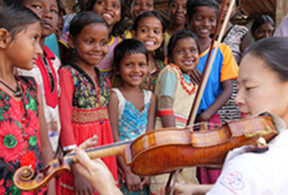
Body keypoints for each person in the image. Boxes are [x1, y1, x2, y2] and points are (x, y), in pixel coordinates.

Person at [74, 37, 288, 195]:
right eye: (238, 87)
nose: (238, 99)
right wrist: (201, 189)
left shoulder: (253, 165)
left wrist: (106, 187)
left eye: (249, 88)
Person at [57, 11, 118, 194]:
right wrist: (76, 168)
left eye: (103, 42)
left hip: (103, 147)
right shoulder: (67, 74)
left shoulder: (103, 78)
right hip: (80, 151)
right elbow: (65, 122)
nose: (97, 48)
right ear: (72, 41)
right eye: (89, 42)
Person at [0, 6, 55, 194]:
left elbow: (45, 145)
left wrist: (52, 189)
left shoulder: (31, 88)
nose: (39, 50)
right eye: (34, 38)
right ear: (3, 38)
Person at [187, 0, 239, 184]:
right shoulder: (181, 51)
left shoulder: (222, 50)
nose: (206, 24)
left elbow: (228, 89)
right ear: (189, 19)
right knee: (187, 170)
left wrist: (207, 114)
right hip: (184, 120)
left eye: (212, 20)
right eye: (200, 19)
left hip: (209, 119)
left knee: (210, 170)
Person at [150, 29, 200, 194]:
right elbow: (165, 107)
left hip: (183, 137)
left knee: (184, 183)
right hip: (168, 136)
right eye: (180, 51)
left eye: (193, 50)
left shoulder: (192, 81)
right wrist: (175, 139)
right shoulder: (171, 72)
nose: (188, 55)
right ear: (170, 57)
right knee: (165, 180)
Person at [108, 39, 156, 195]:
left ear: (148, 67)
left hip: (143, 166)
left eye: (141, 64)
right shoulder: (115, 96)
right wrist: (127, 171)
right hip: (122, 168)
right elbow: (114, 136)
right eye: (129, 65)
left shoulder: (151, 97)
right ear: (117, 68)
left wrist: (148, 170)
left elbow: (149, 136)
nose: (136, 70)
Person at [16, 0, 61, 153]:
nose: (47, 14)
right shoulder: (18, 63)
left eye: (54, 11)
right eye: (37, 7)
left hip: (52, 148)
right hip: (27, 150)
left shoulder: (54, 61)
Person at [60, 0, 126, 80]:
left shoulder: (119, 43)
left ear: (120, 15)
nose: (108, 8)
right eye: (101, 2)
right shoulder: (69, 74)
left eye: (115, 6)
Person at [132, 11, 166, 92]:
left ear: (162, 37)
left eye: (156, 32)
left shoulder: (162, 67)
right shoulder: (127, 63)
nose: (151, 35)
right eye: (144, 30)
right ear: (134, 34)